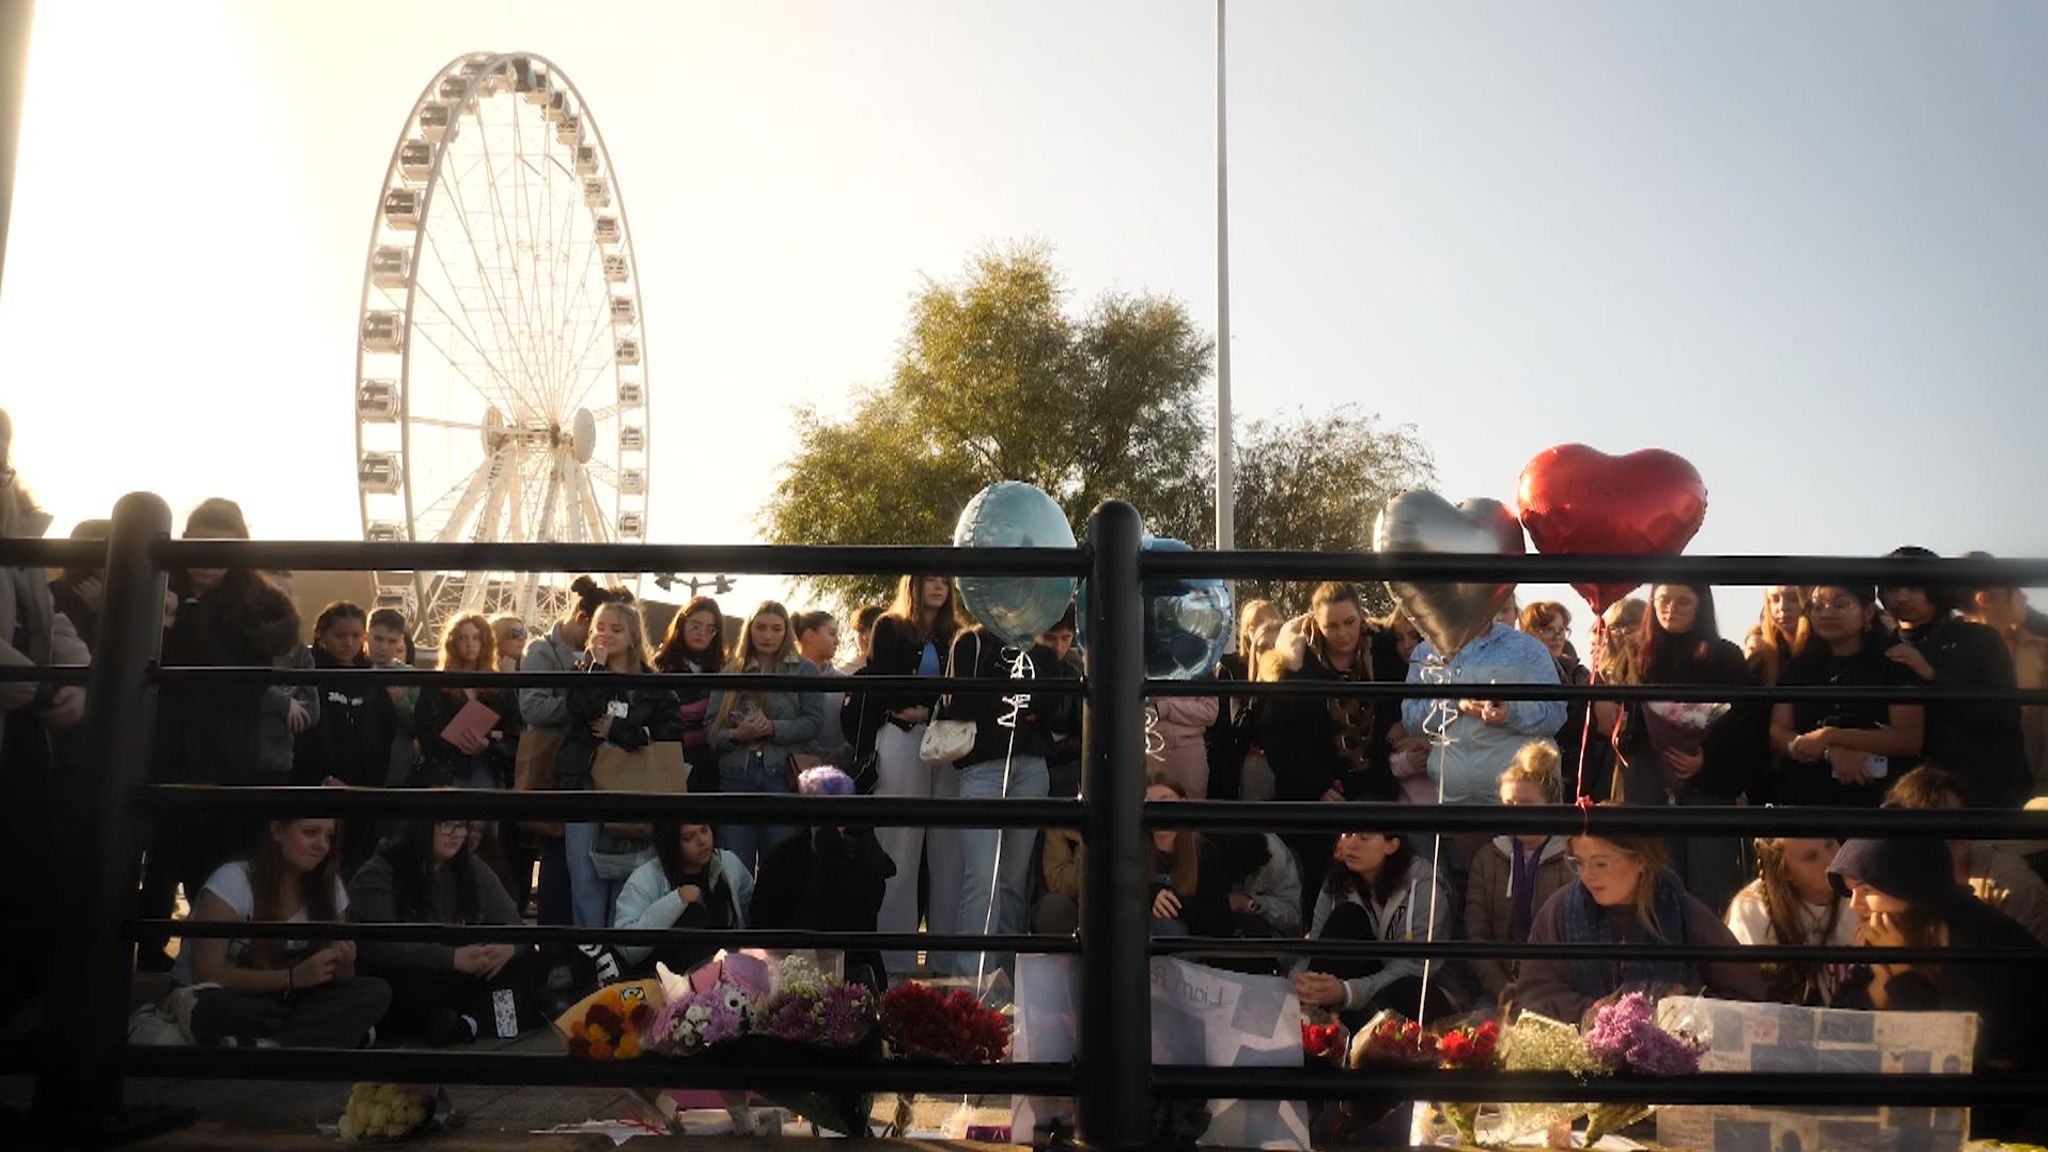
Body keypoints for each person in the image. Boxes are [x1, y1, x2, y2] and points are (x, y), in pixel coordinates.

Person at [149, 498, 302, 958]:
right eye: (196, 543)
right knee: (160, 854)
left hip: (225, 752)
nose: (204, 556)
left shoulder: (257, 608)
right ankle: (150, 944)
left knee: (217, 860)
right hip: (165, 744)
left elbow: (240, 685)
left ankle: (213, 958)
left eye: (219, 546)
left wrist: (187, 617)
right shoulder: (156, 584)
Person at [1829, 836, 2047, 1140]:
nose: (1855, 905)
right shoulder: (1894, 932)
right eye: (1852, 891)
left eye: (1867, 891)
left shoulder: (1980, 939)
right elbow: (1839, 1024)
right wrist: (1880, 984)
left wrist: (1901, 978)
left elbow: (1957, 1051)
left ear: (1910, 888)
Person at [0, 421, 90, 1013]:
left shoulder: (20, 529)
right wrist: (38, 691)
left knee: (27, 873)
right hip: (22, 714)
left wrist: (77, 680)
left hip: (25, 737)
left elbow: (53, 620)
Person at [171, 818, 390, 1047]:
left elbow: (340, 978)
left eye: (330, 837)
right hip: (228, 995)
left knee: (376, 991)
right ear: (277, 831)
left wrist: (344, 966)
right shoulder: (233, 881)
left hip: (287, 998)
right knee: (223, 1007)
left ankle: (270, 1043)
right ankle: (310, 1037)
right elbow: (205, 973)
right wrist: (292, 978)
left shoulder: (329, 886)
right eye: (310, 832)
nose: (322, 845)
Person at [1508, 827, 1764, 1022]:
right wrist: (1599, 1013)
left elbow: (1745, 992)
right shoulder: (1559, 911)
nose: (1587, 875)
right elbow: (1535, 994)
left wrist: (1681, 1005)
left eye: (1600, 863)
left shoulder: (1682, 910)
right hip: (1583, 1069)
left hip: (1670, 1071)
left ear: (1641, 860)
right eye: (1578, 862)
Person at [1262, 583, 1412, 907]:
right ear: (1316, 623)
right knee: (1324, 884)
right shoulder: (1296, 667)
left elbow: (1408, 705)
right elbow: (1279, 738)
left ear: (1362, 618)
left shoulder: (1386, 657)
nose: (1342, 633)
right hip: (1316, 799)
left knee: (1379, 882)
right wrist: (1315, 786)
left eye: (1349, 622)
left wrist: (1402, 726)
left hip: (1376, 788)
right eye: (1332, 625)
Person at [1611, 583, 1753, 911]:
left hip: (1709, 780)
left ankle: (1705, 955)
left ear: (1700, 605)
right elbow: (1624, 715)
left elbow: (1745, 724)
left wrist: (1708, 759)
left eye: (1683, 602)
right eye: (1663, 600)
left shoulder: (1726, 656)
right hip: (1648, 775)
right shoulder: (1634, 651)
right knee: (1654, 872)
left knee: (1709, 879)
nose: (1671, 609)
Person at [933, 620, 1063, 978]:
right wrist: (1020, 704)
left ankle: (1006, 979)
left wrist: (1002, 700)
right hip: (983, 768)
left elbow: (1053, 704)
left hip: (1032, 767)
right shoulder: (971, 642)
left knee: (1014, 879)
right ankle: (972, 982)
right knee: (982, 877)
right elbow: (959, 704)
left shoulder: (1041, 650)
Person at [347, 817, 544, 1045]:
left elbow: (515, 925)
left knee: (528, 964)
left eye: (462, 825)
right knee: (405, 987)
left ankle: (467, 1024)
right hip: (412, 974)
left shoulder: (471, 867)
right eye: (446, 824)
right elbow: (381, 949)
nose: (457, 833)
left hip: (463, 973)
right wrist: (452, 958)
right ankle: (482, 1020)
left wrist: (506, 949)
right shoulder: (380, 871)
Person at [1399, 606, 1565, 870]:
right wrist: (1455, 702)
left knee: (1517, 898)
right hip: (1453, 811)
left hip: (1516, 814)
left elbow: (1556, 713)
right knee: (1462, 900)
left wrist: (1510, 711)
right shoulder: (1426, 652)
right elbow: (1410, 719)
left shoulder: (1528, 650)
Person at [864, 575, 968, 976]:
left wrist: (928, 709)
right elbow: (884, 689)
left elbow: (962, 693)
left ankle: (946, 963)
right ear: (915, 585)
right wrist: (930, 703)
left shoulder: (957, 635)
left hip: (947, 742)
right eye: (931, 580)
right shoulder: (889, 627)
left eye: (945, 581)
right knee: (898, 852)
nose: (939, 588)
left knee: (950, 855)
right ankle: (894, 966)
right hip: (901, 740)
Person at [558, 600, 682, 928]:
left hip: (636, 785)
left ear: (632, 637)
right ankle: (589, 956)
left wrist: (622, 732)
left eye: (616, 629)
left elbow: (669, 732)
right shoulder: (582, 675)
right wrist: (596, 669)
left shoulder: (656, 686)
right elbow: (583, 709)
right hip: (586, 783)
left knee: (628, 877)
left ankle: (620, 955)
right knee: (585, 878)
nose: (605, 634)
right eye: (599, 627)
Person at [1880, 547, 2033, 809]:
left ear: (1937, 590)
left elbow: (2003, 717)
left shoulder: (1980, 640)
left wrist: (1932, 675)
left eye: (1914, 587)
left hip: (1983, 793)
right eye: (1893, 588)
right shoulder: (1878, 648)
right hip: (1906, 798)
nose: (1902, 597)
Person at [517, 578, 625, 929]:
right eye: (598, 628)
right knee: (556, 856)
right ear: (582, 619)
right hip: (553, 767)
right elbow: (531, 707)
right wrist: (583, 704)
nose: (603, 637)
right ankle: (553, 951)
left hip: (591, 769)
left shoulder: (603, 659)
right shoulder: (540, 653)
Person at [1770, 584, 1924, 807]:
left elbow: (1909, 739)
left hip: (1879, 796)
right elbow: (1777, 732)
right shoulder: (1797, 668)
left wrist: (1831, 736)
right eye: (1817, 606)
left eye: (1840, 604)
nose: (1826, 613)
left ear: (1868, 612)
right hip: (1806, 795)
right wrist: (1827, 751)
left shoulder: (1894, 663)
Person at [1293, 827, 1462, 1027]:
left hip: (1411, 991)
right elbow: (1315, 950)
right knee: (1346, 917)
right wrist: (1302, 982)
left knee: (1406, 992)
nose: (1352, 844)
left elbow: (1416, 968)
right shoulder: (1336, 882)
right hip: (1351, 988)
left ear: (1392, 844)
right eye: (1347, 835)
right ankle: (1312, 1030)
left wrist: (1347, 991)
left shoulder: (1424, 887)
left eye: (1364, 837)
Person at [750, 766, 897, 992]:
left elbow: (864, 912)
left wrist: (842, 858)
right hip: (792, 972)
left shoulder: (864, 852)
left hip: (853, 972)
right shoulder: (781, 859)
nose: (833, 824)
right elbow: (763, 923)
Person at [707, 601, 825, 876]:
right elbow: (711, 731)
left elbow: (814, 723)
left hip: (782, 776)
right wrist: (738, 734)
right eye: (760, 627)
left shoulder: (804, 670)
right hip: (736, 778)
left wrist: (773, 728)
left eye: (776, 628)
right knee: (735, 870)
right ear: (749, 630)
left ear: (786, 632)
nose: (767, 635)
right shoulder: (730, 669)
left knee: (781, 869)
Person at [1883, 766, 2048, 943]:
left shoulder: (2011, 888)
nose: (1953, 832)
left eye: (1956, 820)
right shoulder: (1892, 884)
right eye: (1936, 827)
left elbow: (2027, 969)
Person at [1464, 742, 1572, 1004]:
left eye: (1526, 803)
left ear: (1551, 805)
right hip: (1499, 988)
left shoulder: (1572, 859)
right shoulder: (1488, 858)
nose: (1516, 811)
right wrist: (1501, 988)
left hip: (1557, 988)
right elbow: (1476, 937)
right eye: (1509, 803)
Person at [1724, 837, 1856, 1006]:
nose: (1831, 861)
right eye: (1810, 857)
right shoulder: (1752, 910)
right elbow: (1742, 999)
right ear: (1785, 872)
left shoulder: (1867, 896)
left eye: (1830, 844)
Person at [613, 821, 753, 975]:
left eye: (704, 830)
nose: (702, 841)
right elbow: (628, 951)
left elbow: (751, 910)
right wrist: (676, 901)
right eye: (688, 837)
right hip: (667, 981)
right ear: (672, 844)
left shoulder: (729, 864)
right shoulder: (644, 880)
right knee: (692, 914)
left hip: (729, 978)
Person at [1960, 560, 2048, 795]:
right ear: (1984, 600)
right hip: (1974, 780)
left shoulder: (2039, 648)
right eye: (2016, 590)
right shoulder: (1951, 648)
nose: (2025, 598)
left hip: (2034, 780)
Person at [412, 614, 518, 791]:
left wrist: (489, 745)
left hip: (489, 769)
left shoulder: (500, 688)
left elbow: (515, 734)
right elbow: (425, 731)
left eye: (476, 637)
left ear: (485, 643)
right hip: (446, 772)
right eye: (463, 638)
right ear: (453, 643)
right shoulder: (436, 685)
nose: (470, 644)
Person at [651, 596, 728, 795]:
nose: (701, 633)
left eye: (710, 629)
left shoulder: (724, 670)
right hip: (669, 759)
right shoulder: (660, 666)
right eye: (696, 625)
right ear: (682, 624)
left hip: (710, 764)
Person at [1210, 600, 1281, 803]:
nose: (1261, 628)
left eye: (1267, 621)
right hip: (1246, 764)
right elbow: (1232, 729)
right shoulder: (1231, 669)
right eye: (1253, 625)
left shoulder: (1296, 669)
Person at [1145, 775, 1231, 938]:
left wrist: (1175, 903)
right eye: (1151, 804)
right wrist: (1149, 895)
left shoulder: (1203, 851)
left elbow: (1220, 923)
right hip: (1140, 952)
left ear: (1183, 804)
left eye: (1166, 802)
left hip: (1185, 956)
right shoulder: (1132, 850)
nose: (1159, 812)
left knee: (1169, 925)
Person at [1520, 602, 1591, 796]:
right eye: (1546, 629)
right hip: (1531, 770)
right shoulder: (1517, 672)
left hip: (1575, 773)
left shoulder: (1580, 674)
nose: (1557, 636)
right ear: (1526, 632)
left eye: (1561, 630)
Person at [367, 609, 420, 787]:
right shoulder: (353, 667)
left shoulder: (411, 677)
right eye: (378, 639)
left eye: (391, 641)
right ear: (367, 636)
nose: (383, 647)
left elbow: (420, 726)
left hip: (395, 768)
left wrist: (401, 703)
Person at [792, 608, 850, 770]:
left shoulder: (845, 682)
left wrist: (837, 755)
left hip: (838, 769)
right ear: (809, 635)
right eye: (831, 633)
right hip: (797, 768)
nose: (837, 641)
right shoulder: (788, 678)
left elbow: (853, 730)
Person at [1744, 585, 1808, 687]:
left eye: (1793, 599)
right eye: (1775, 599)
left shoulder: (1828, 649)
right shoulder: (1759, 663)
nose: (1783, 607)